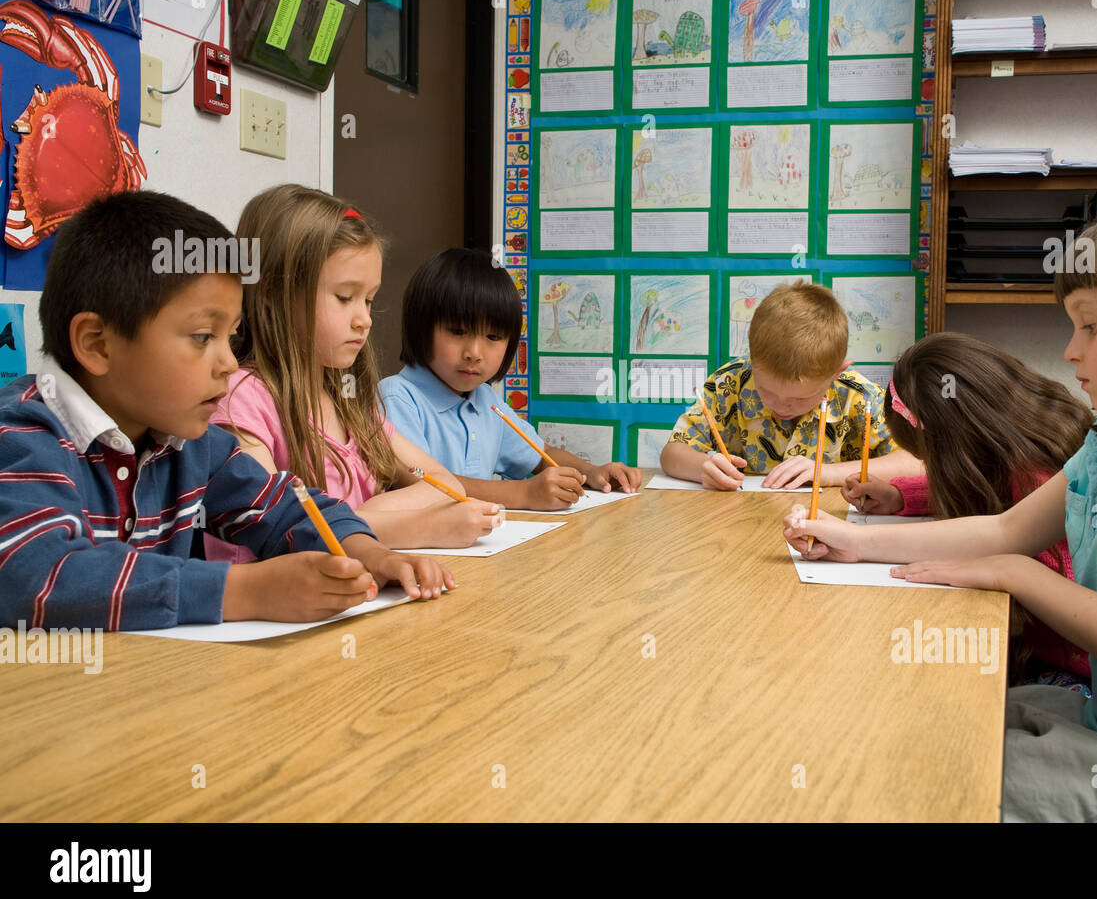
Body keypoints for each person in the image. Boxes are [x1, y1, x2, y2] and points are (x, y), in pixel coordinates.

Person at [784, 194, 1097, 822]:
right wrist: (856, 543)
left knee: (932, 790)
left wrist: (1017, 571)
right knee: (921, 725)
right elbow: (1005, 528)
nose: (1071, 351)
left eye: (1090, 326)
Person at [0, 192, 450, 630]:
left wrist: (369, 554)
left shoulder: (190, 443)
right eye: (202, 337)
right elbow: (36, 576)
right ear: (97, 344)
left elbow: (287, 507)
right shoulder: (25, 436)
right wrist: (245, 591)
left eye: (231, 336)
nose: (230, 363)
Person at [206, 186, 504, 565]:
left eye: (369, 299)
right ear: (272, 293)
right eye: (345, 298)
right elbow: (279, 523)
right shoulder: (241, 399)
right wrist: (418, 527)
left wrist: (361, 519)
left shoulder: (346, 400)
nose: (364, 319)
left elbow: (445, 485)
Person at [843, 332, 1094, 688]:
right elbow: (985, 486)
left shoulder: (1034, 474)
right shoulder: (1024, 445)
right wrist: (903, 496)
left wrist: (856, 541)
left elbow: (1005, 532)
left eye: (930, 458)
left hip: (1076, 669)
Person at [380, 248, 641, 511]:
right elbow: (422, 483)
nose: (474, 353)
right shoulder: (397, 397)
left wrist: (591, 472)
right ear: (421, 327)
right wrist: (522, 493)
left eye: (493, 337)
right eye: (458, 332)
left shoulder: (485, 400)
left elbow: (541, 455)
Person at [660, 280, 922, 490]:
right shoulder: (727, 385)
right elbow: (671, 454)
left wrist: (827, 473)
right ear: (751, 350)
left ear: (837, 372)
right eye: (767, 392)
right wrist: (701, 466)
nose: (782, 406)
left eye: (801, 398)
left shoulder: (858, 396)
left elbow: (917, 464)